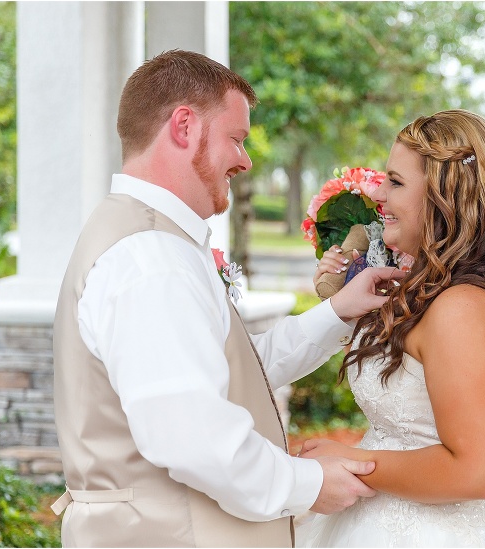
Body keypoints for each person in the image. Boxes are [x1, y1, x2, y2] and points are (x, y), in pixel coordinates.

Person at [50, 49, 405, 548]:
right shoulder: (150, 258)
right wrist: (310, 484)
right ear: (184, 126)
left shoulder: (150, 239)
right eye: (236, 138)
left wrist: (337, 312)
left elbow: (218, 374)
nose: (246, 159)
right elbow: (193, 439)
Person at [296, 110, 485, 547]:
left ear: (445, 197)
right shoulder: (431, 292)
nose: (379, 193)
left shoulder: (462, 309)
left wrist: (356, 460)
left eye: (396, 182)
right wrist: (342, 300)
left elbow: (476, 471)